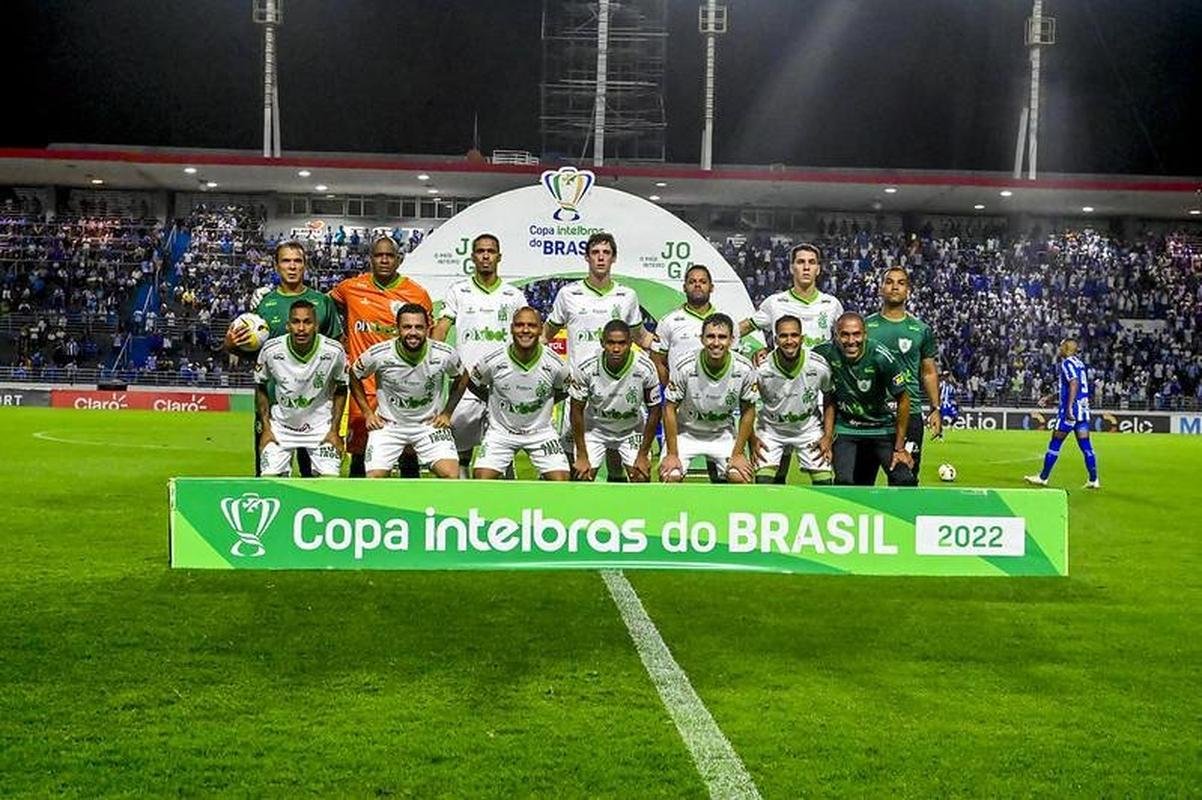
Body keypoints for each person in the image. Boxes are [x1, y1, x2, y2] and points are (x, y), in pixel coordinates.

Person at [226, 239, 343, 477]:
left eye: (297, 261)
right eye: (286, 261)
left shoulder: (322, 302)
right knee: (270, 478)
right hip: (274, 408)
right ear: (276, 266)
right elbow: (252, 355)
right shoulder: (264, 306)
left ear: (305, 265)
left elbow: (337, 351)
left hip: (315, 410)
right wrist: (229, 345)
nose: (292, 266)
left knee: (316, 480)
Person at [330, 234, 432, 477]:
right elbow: (324, 308)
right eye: (379, 255)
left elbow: (427, 337)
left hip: (403, 388)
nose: (384, 260)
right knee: (359, 452)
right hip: (363, 388)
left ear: (398, 260)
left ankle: (412, 508)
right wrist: (337, 337)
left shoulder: (416, 293)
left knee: (409, 453)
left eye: (389, 256)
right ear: (370, 259)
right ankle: (356, 507)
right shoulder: (350, 288)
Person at [430, 233, 528, 477]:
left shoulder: (513, 295)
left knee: (502, 451)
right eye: (481, 251)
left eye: (491, 251)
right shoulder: (459, 291)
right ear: (473, 256)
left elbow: (527, 333)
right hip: (467, 384)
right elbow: (442, 327)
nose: (486, 256)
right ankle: (461, 502)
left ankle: (503, 505)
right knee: (459, 449)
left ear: (499, 257)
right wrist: (431, 355)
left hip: (502, 384)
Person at [436, 307, 570, 480]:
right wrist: (492, 399)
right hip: (501, 433)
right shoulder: (492, 360)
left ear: (540, 329)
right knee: (482, 479)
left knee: (561, 480)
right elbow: (472, 381)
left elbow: (565, 391)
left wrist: (544, 402)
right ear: (511, 328)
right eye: (520, 325)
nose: (525, 330)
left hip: (541, 433)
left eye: (531, 325)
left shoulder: (556, 364)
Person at [349, 303, 460, 479]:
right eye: (407, 327)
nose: (413, 333)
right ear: (397, 329)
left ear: (428, 328)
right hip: (388, 425)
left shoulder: (444, 353)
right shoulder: (379, 354)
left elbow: (462, 377)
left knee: (452, 475)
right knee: (374, 479)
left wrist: (447, 413)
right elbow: (354, 375)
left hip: (429, 425)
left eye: (419, 327)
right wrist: (368, 413)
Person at [815, 312, 916, 486]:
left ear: (865, 335)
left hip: (881, 428)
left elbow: (904, 399)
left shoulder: (881, 356)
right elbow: (800, 364)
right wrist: (827, 435)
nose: (851, 341)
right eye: (845, 335)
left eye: (856, 334)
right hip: (846, 428)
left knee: (904, 480)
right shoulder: (824, 353)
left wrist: (899, 448)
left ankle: (892, 513)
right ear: (836, 336)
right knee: (844, 481)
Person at [658, 313, 757, 484]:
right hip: (686, 433)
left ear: (732, 340)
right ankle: (677, 511)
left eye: (722, 337)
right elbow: (669, 408)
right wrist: (672, 454)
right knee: (670, 475)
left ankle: (726, 511)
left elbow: (748, 410)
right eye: (710, 336)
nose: (716, 343)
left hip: (722, 433)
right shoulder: (684, 365)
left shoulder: (745, 368)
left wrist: (739, 453)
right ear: (702, 339)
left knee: (740, 476)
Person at [253, 300, 347, 477]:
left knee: (331, 479)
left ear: (316, 326)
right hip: (281, 427)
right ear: (288, 326)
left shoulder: (334, 351)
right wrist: (266, 429)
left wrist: (334, 431)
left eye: (307, 322)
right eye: (296, 322)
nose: (301, 328)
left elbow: (342, 388)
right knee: (269, 478)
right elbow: (260, 385)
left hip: (321, 428)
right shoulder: (271, 350)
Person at [864, 267, 941, 481]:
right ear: (881, 289)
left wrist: (935, 408)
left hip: (910, 413)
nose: (894, 286)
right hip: (872, 413)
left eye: (900, 282)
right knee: (861, 481)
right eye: (889, 282)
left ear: (908, 290)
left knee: (907, 478)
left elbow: (928, 372)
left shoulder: (921, 329)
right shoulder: (866, 326)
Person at [568, 319, 662, 482]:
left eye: (622, 343)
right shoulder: (586, 367)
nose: (616, 348)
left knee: (641, 475)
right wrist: (582, 455)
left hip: (631, 430)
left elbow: (655, 410)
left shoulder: (645, 367)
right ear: (602, 342)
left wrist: (642, 454)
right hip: (595, 429)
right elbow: (576, 410)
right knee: (582, 476)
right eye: (611, 343)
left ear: (631, 343)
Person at [752, 315, 834, 485]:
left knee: (825, 483)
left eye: (794, 335)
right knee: (763, 482)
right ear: (775, 339)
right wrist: (753, 438)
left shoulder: (818, 365)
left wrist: (827, 436)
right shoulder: (762, 369)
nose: (789, 341)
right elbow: (748, 404)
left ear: (802, 338)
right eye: (783, 336)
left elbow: (829, 396)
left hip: (807, 429)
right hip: (771, 430)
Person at [1025, 339, 1100, 489]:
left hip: (1070, 413)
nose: (1058, 349)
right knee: (1086, 446)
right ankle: (1094, 480)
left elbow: (1073, 383)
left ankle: (1043, 477)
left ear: (1066, 348)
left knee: (1055, 443)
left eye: (1061, 346)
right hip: (1083, 412)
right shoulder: (1079, 364)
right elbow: (1072, 385)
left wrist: (1069, 408)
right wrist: (1050, 397)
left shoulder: (1067, 363)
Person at [738, 243, 843, 349]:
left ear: (818, 269)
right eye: (801, 262)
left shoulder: (832, 304)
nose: (806, 267)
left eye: (811, 262)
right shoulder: (775, 303)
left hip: (820, 365)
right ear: (792, 268)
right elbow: (741, 329)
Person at [650, 264, 739, 379]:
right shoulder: (668, 321)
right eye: (692, 282)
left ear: (711, 287)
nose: (697, 285)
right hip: (680, 394)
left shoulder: (729, 320)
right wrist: (671, 388)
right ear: (684, 287)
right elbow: (657, 361)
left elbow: (734, 361)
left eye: (703, 282)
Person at [937, 371, 959, 437]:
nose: (947, 378)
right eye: (946, 376)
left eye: (948, 376)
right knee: (941, 419)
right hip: (943, 404)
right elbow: (938, 392)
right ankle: (940, 434)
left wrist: (956, 402)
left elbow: (955, 392)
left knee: (956, 417)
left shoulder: (951, 386)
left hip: (949, 404)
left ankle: (951, 425)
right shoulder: (941, 384)